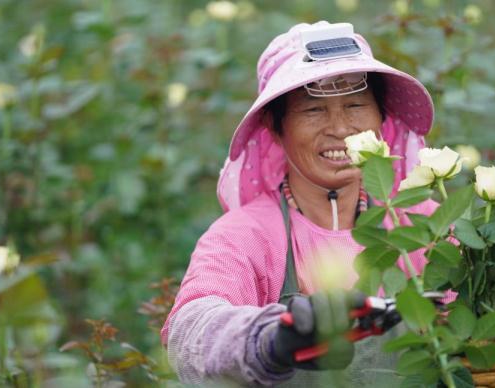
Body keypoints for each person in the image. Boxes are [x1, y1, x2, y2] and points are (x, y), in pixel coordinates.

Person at [162, 21, 452, 386]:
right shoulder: (245, 236)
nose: (340, 127)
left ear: (381, 117)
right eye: (313, 110)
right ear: (275, 126)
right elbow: (191, 332)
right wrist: (271, 340)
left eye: (356, 105)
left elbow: (474, 321)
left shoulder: (425, 224)